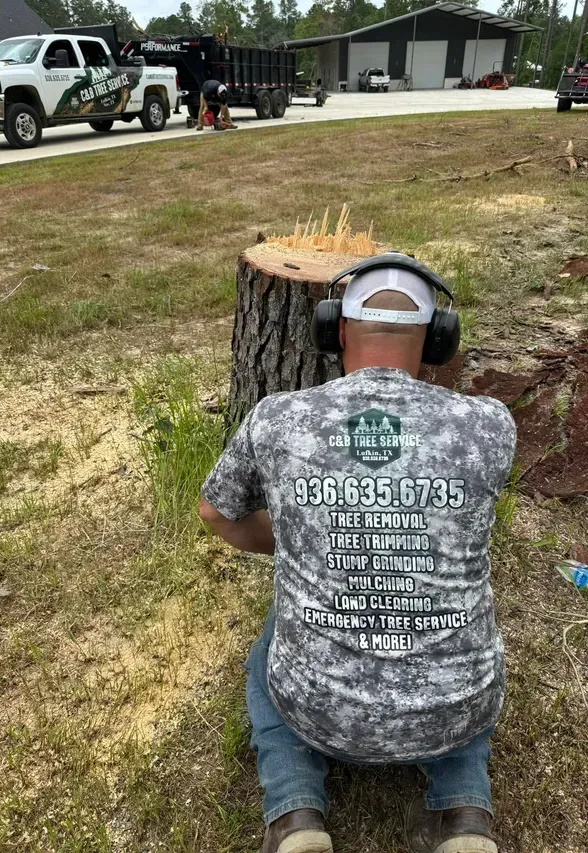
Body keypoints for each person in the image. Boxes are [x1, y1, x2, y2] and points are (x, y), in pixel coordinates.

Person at [199, 255, 516, 853]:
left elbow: (216, 512)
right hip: (454, 709)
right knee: (465, 650)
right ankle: (466, 817)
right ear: (437, 341)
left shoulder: (278, 418)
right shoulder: (490, 425)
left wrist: (295, 541)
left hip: (321, 711)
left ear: (336, 330)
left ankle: (295, 817)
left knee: (270, 647)